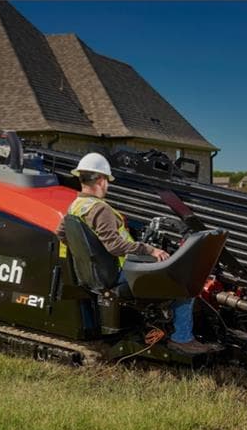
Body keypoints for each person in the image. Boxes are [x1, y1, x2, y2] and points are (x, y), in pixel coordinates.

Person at [56, 152, 213, 354]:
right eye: (107, 181)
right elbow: (114, 246)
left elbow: (61, 234)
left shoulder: (75, 206)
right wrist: (150, 249)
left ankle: (163, 327)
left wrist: (88, 255)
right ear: (101, 180)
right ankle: (182, 339)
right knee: (184, 285)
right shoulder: (100, 209)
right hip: (119, 273)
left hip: (95, 274)